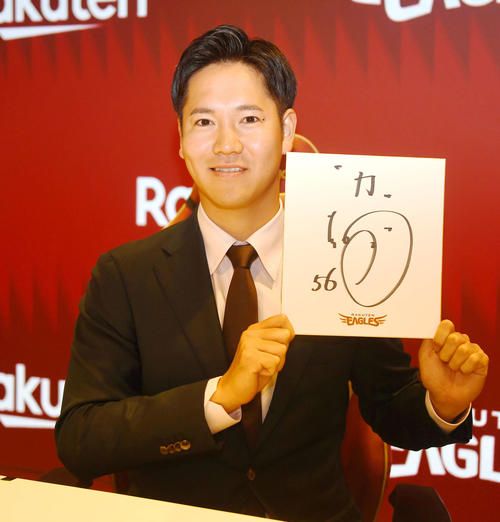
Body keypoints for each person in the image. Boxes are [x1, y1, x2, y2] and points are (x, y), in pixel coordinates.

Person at [56, 25, 488, 521]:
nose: (226, 144)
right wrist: (217, 397)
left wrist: (442, 404)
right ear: (180, 138)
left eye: (249, 119)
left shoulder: (346, 256)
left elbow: (390, 407)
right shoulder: (125, 275)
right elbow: (81, 439)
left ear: (286, 130)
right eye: (204, 121)